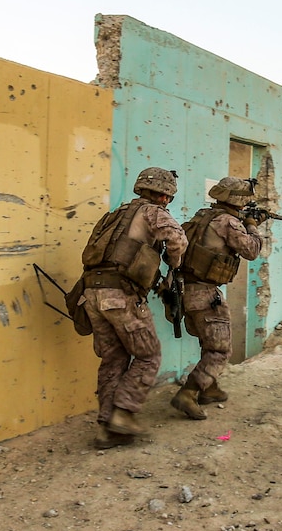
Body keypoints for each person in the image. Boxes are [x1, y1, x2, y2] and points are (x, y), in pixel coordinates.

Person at [78, 167, 187, 448]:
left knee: (113, 359)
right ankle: (123, 414)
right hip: (122, 297)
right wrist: (174, 266)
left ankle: (106, 427)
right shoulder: (153, 212)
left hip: (91, 294)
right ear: (165, 196)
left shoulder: (115, 215)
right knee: (148, 355)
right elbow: (178, 240)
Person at [171, 176, 264, 419]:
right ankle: (189, 392)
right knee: (220, 349)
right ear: (238, 200)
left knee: (209, 341)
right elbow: (252, 250)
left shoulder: (203, 216)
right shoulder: (228, 222)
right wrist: (253, 226)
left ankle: (209, 388)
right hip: (205, 292)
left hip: (185, 289)